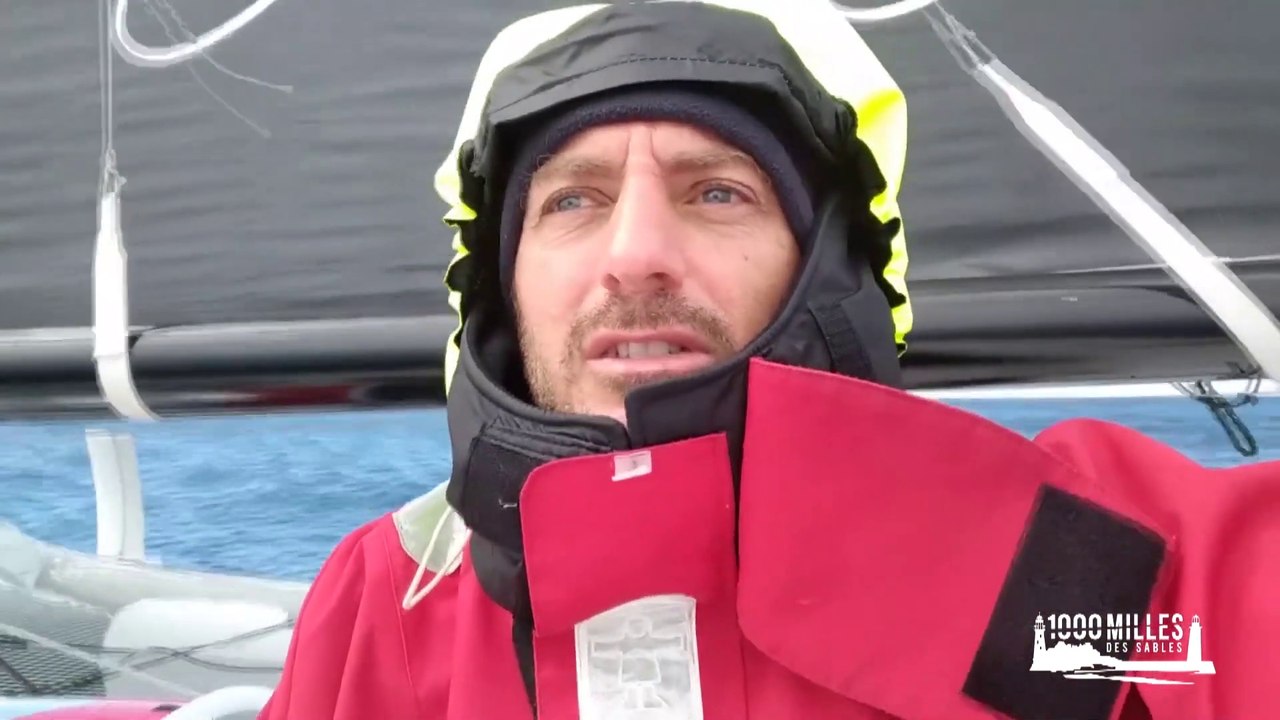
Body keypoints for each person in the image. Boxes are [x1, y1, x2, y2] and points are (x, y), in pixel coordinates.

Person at [258, 1, 1280, 718]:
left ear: (828, 267)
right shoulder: (383, 603)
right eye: (572, 199)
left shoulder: (1083, 565)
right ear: (495, 280)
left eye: (716, 193)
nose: (634, 256)